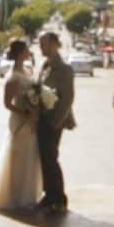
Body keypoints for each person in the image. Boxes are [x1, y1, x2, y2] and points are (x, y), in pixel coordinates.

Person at [0, 39, 43, 211]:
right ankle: (15, 195)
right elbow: (7, 103)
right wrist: (25, 112)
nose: (29, 52)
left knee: (30, 156)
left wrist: (36, 108)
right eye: (26, 49)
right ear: (20, 53)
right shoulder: (13, 77)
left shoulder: (28, 70)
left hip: (31, 120)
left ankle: (28, 195)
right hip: (20, 121)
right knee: (17, 156)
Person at [35, 30, 76, 214]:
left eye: (43, 43)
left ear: (54, 44)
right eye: (40, 43)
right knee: (44, 157)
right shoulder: (44, 66)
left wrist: (56, 121)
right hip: (41, 118)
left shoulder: (64, 69)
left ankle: (59, 197)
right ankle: (49, 195)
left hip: (54, 120)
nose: (41, 47)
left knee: (51, 158)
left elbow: (67, 98)